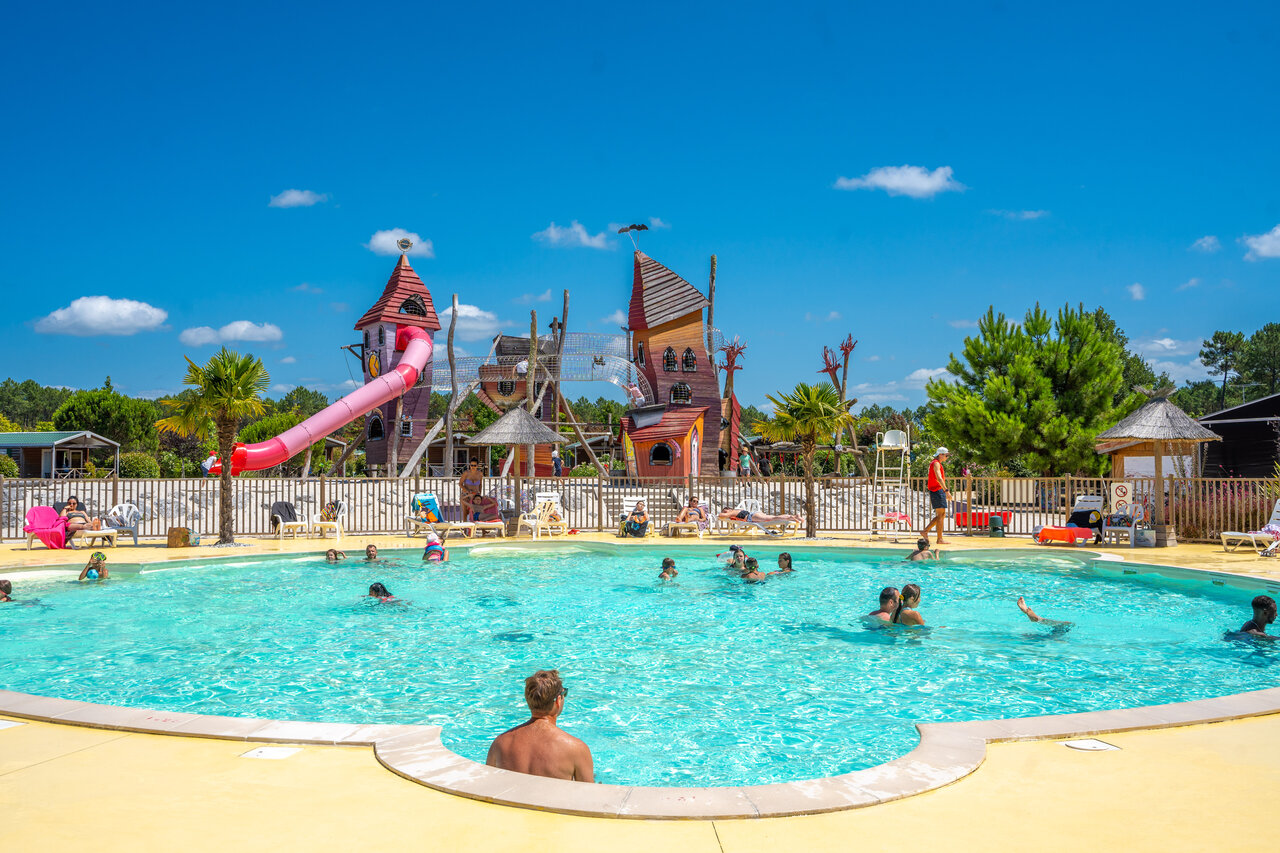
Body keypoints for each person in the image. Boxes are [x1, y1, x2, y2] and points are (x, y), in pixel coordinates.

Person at [486, 669, 594, 783]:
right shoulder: (576, 749)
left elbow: (489, 784)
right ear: (558, 700)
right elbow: (589, 796)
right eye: (564, 693)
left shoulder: (500, 743)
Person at [921, 448, 951, 545]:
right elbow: (939, 478)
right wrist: (946, 490)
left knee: (941, 515)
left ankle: (929, 533)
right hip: (937, 490)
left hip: (937, 490)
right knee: (941, 515)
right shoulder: (936, 463)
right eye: (946, 455)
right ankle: (936, 537)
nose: (947, 457)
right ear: (940, 455)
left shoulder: (935, 463)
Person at [717, 506, 805, 527]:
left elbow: (721, 515)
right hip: (754, 515)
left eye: (725, 510)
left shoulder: (732, 512)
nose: (725, 512)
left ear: (729, 509)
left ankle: (791, 517)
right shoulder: (736, 510)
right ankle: (794, 516)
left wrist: (723, 514)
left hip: (752, 517)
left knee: (774, 518)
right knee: (773, 517)